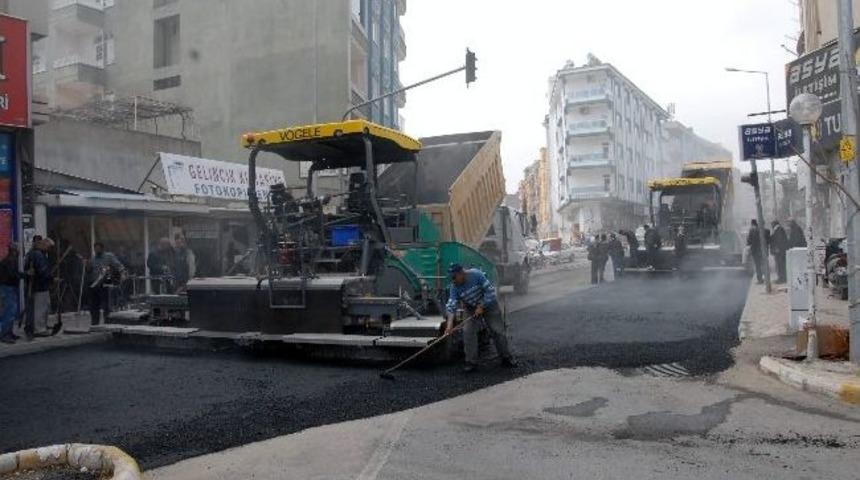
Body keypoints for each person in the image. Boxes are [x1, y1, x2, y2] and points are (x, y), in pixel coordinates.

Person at [445, 264, 516, 373]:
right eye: (451, 278)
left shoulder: (476, 274)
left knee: (497, 329)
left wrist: (482, 305)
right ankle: (471, 362)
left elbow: (490, 291)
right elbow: (451, 306)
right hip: (470, 307)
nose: (452, 280)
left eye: (454, 277)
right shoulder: (454, 287)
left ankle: (506, 357)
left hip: (489, 304)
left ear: (461, 273)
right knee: (468, 331)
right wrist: (449, 325)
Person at [88, 242, 125, 325]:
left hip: (105, 283)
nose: (96, 250)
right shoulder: (93, 259)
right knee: (94, 305)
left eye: (98, 248)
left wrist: (122, 274)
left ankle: (107, 322)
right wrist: (87, 266)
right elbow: (89, 271)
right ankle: (94, 323)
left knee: (106, 305)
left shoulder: (109, 256)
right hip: (95, 284)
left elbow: (118, 265)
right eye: (95, 248)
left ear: (102, 248)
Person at [24, 238, 53, 339]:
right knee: (41, 308)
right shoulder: (38, 255)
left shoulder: (32, 254)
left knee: (40, 308)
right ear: (44, 245)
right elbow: (43, 271)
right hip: (40, 286)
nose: (49, 249)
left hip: (37, 285)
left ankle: (38, 326)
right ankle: (40, 329)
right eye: (49, 247)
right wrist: (50, 278)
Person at [0, 244, 21, 344]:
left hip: (7, 287)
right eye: (18, 250)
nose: (19, 252)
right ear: (14, 251)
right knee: (9, 311)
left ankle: (9, 332)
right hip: (9, 287)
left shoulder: (7, 260)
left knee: (10, 311)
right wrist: (23, 275)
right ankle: (5, 334)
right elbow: (12, 274)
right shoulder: (11, 261)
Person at [747, 219, 766, 284]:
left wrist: (749, 243)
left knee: (758, 265)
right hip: (761, 249)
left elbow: (749, 240)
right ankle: (765, 277)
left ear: (752, 224)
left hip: (755, 250)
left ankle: (760, 279)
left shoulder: (752, 230)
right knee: (762, 264)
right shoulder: (760, 229)